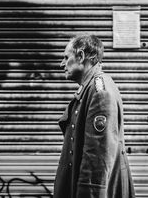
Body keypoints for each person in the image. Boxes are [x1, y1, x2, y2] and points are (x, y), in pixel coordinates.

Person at [54, 34, 135, 198]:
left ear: (81, 56)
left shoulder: (100, 93)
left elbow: (97, 159)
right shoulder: (89, 88)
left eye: (66, 57)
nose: (61, 64)